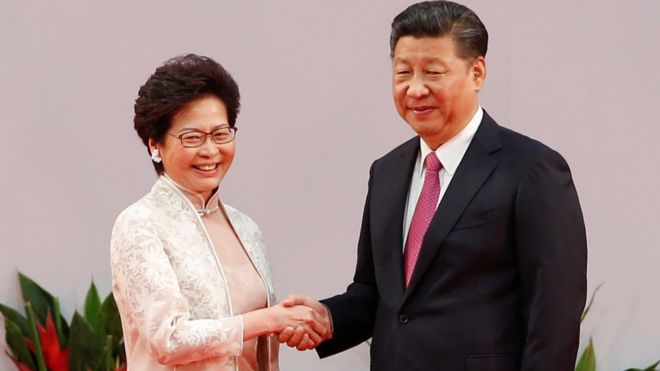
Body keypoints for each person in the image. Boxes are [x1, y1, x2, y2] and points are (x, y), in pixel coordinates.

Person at [279, 1, 588, 370]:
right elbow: (378, 293)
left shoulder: (531, 169)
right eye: (403, 72)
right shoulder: (386, 172)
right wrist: (328, 318)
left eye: (433, 72)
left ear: (477, 73)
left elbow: (553, 318)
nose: (415, 89)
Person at [110, 54, 327, 371]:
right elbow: (168, 340)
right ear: (154, 145)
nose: (210, 151)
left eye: (221, 134)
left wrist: (290, 321)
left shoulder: (246, 227)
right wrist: (269, 318)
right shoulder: (139, 224)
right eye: (192, 137)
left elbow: (257, 342)